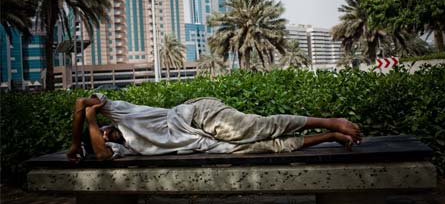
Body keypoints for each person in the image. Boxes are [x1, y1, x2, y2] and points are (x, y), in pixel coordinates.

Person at [67, 93, 362, 163]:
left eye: (103, 130)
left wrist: (73, 142)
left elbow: (81, 101)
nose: (103, 136)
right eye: (99, 138)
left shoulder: (122, 112)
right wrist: (91, 126)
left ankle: (330, 120)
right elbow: (102, 156)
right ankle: (331, 135)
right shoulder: (124, 148)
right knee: (270, 146)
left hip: (198, 116)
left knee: (255, 126)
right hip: (205, 142)